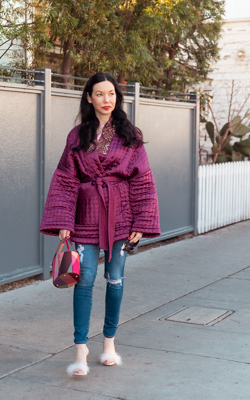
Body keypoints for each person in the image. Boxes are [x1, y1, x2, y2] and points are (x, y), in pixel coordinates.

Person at [40, 72, 160, 376]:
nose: (107, 100)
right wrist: (63, 220)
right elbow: (66, 178)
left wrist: (142, 221)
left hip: (121, 216)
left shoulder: (130, 135)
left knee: (115, 279)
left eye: (111, 94)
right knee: (84, 279)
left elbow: (143, 180)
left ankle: (109, 343)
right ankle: (80, 348)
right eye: (100, 94)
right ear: (89, 98)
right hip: (85, 214)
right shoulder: (77, 136)